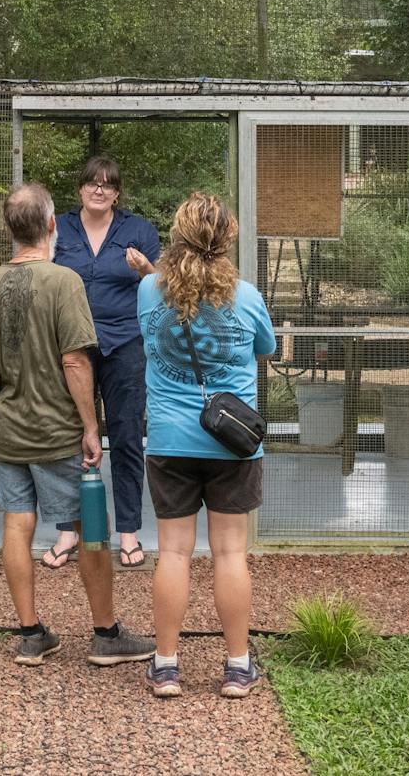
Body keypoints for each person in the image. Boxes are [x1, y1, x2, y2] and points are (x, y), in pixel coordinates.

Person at [0, 182, 153, 667]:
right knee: (91, 526)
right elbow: (75, 361)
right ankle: (106, 634)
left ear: (9, 229)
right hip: (55, 431)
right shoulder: (63, 281)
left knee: (17, 524)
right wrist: (91, 426)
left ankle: (31, 634)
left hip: (7, 429)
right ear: (52, 225)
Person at [137, 192, 277, 700]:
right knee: (230, 552)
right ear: (228, 240)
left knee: (173, 552)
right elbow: (267, 348)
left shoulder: (149, 290)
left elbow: (152, 323)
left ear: (177, 237)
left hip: (170, 441)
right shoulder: (247, 296)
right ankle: (237, 667)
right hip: (232, 443)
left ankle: (166, 666)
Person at [45, 156, 160, 572]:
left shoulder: (139, 230)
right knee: (69, 436)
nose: (99, 190)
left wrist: (145, 268)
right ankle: (68, 530)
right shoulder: (58, 228)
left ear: (117, 193)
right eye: (92, 183)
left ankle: (128, 531)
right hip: (70, 346)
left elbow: (160, 287)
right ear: (80, 188)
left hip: (125, 344)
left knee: (127, 436)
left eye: (108, 184)